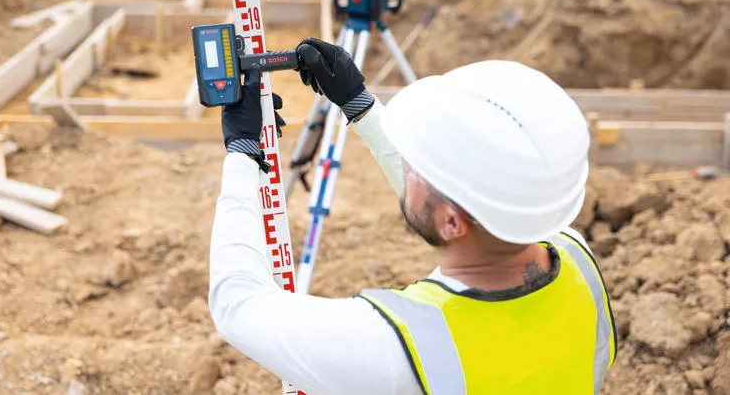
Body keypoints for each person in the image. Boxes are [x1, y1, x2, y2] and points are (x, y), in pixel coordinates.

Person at [210, 37, 617, 395]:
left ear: (452, 224)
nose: (407, 166)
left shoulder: (395, 349)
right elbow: (468, 202)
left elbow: (237, 302)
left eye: (418, 166)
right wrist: (360, 107)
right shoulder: (578, 260)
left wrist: (244, 154)